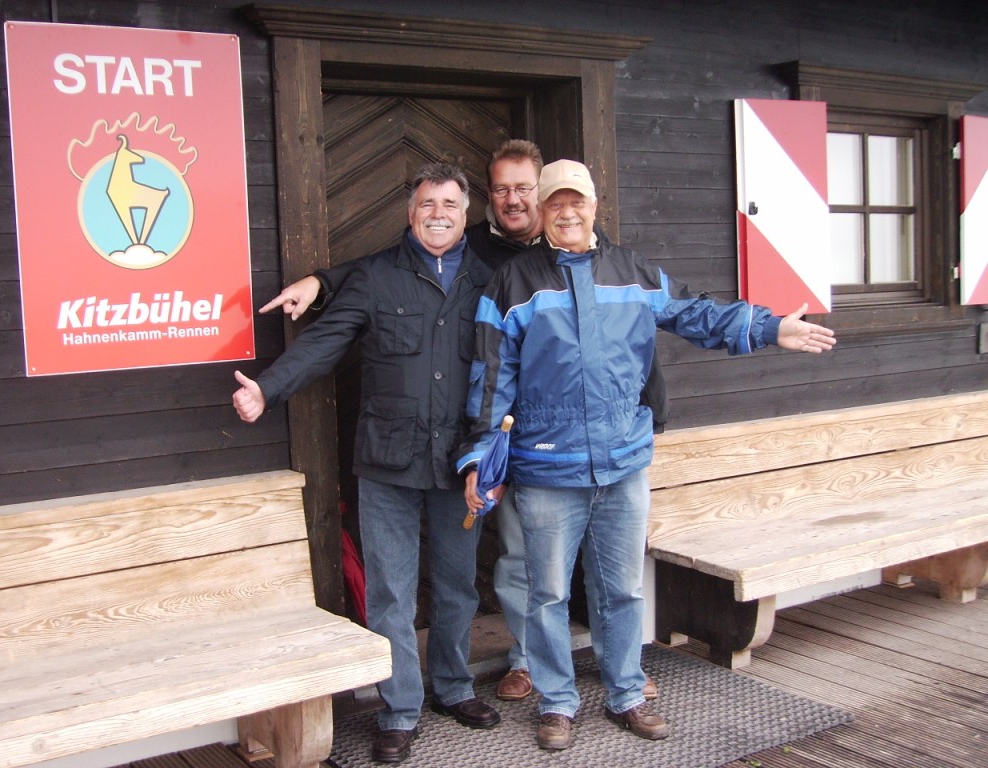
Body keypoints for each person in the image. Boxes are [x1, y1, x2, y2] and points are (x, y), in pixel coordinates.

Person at [260, 140, 668, 704]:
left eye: (524, 188)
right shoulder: (487, 259)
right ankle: (518, 667)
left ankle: (619, 669)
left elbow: (632, 322)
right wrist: (322, 282)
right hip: (497, 445)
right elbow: (384, 267)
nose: (513, 199)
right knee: (523, 562)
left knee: (600, 566)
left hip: (579, 441)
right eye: (501, 189)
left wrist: (651, 406)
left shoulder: (583, 248)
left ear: (550, 197)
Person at [457, 159, 836, 751]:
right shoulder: (514, 282)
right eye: (555, 203)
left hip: (623, 462)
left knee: (622, 589)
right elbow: (489, 377)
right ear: (541, 211)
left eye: (576, 201)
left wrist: (768, 327)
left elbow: (694, 313)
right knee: (547, 595)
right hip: (548, 467)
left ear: (594, 206)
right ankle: (557, 702)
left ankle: (626, 692)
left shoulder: (632, 271)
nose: (567, 212)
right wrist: (481, 457)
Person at [233, 162, 501, 765]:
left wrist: (497, 456)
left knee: (458, 584)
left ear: (467, 215)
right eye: (427, 203)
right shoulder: (375, 277)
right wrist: (268, 389)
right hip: (386, 462)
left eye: (450, 204)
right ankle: (399, 709)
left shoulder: (489, 281)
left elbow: (503, 372)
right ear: (411, 213)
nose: (438, 214)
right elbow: (325, 342)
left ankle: (454, 688)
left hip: (460, 463)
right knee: (390, 594)